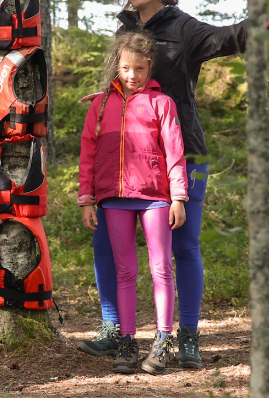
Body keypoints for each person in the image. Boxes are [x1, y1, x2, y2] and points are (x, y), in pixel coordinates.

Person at [79, 0, 269, 369]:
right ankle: (114, 330)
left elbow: (228, 37)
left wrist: (267, 19)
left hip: (182, 153)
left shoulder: (183, 27)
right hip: (125, 162)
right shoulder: (125, 28)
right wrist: (105, 97)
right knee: (106, 243)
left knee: (183, 246)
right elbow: (122, 76)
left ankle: (186, 337)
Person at [78, 29, 188, 375]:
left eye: (140, 69)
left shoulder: (162, 103)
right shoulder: (99, 105)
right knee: (125, 271)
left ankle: (162, 341)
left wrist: (179, 197)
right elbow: (88, 154)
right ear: (117, 66)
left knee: (160, 269)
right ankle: (126, 342)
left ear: (149, 68)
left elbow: (175, 153)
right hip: (113, 199)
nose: (133, 76)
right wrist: (86, 199)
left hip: (155, 198)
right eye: (127, 68)